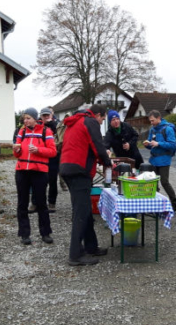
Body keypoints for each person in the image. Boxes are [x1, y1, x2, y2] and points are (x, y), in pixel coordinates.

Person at [60, 104, 112, 266]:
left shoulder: (76, 121)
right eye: (103, 118)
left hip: (67, 167)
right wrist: (108, 164)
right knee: (80, 213)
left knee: (86, 209)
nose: (102, 121)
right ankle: (75, 255)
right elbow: (98, 146)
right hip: (79, 171)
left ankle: (91, 246)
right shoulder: (89, 122)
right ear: (97, 115)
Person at [13, 107, 57, 245]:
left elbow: (53, 151)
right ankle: (24, 234)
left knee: (41, 203)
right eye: (24, 118)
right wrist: (17, 150)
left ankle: (45, 233)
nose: (25, 121)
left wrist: (38, 150)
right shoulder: (22, 131)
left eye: (28, 118)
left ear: (34, 118)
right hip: (22, 170)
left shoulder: (46, 131)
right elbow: (17, 153)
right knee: (22, 203)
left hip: (39, 171)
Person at [143, 110, 176, 211]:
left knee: (164, 182)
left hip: (164, 160)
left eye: (153, 120)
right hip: (153, 159)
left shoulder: (168, 129)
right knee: (152, 182)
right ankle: (155, 203)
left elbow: (173, 145)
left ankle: (175, 204)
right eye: (150, 121)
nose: (151, 123)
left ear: (159, 118)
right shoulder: (152, 129)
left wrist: (159, 144)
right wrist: (147, 145)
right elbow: (151, 144)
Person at [29, 107, 60, 213]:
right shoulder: (36, 127)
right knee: (37, 181)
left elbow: (60, 141)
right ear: (40, 116)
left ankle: (52, 203)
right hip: (39, 156)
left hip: (53, 157)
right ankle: (35, 202)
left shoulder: (57, 126)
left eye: (48, 115)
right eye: (44, 115)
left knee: (52, 180)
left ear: (51, 115)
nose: (46, 117)